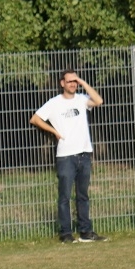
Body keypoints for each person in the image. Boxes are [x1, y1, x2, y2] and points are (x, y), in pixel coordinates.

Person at [29, 69, 107, 243]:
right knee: (64, 196)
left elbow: (98, 100)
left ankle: (86, 232)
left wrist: (83, 82)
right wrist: (54, 131)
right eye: (70, 81)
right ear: (62, 83)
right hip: (65, 156)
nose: (73, 84)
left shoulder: (81, 99)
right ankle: (66, 233)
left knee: (82, 195)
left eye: (75, 81)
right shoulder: (54, 103)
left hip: (84, 154)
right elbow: (35, 119)